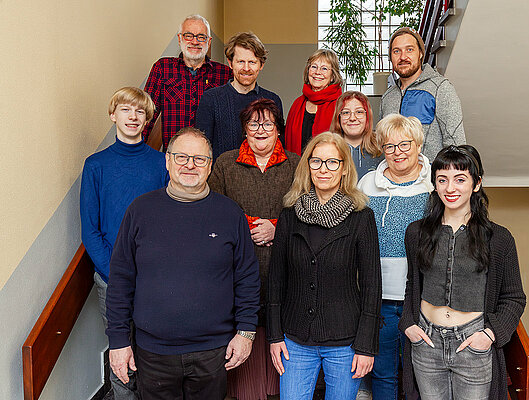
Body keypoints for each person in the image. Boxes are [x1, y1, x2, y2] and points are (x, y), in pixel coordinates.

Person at [106, 128, 260, 400]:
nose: (190, 165)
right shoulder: (140, 211)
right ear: (167, 161)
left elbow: (247, 278)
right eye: (181, 157)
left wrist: (246, 332)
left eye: (199, 159)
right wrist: (118, 341)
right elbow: (120, 280)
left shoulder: (230, 213)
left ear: (210, 166)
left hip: (214, 351)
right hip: (153, 352)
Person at [400, 145, 526, 400]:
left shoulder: (499, 239)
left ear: (476, 184)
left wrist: (489, 335)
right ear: (435, 184)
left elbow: (514, 298)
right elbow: (413, 283)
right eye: (442, 179)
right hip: (426, 342)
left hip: (473, 345)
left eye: (460, 179)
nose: (450, 188)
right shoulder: (416, 233)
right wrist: (409, 325)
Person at [267, 132, 382, 400]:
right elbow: (275, 279)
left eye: (332, 162)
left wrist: (366, 346)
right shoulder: (290, 214)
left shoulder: (361, 216)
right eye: (316, 161)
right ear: (307, 166)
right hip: (295, 341)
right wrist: (274, 336)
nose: (323, 169)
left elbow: (372, 285)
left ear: (344, 168)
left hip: (345, 342)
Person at [80, 87, 169, 399]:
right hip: (111, 280)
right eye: (126, 110)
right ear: (113, 115)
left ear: (147, 119)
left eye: (140, 111)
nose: (133, 117)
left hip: (155, 278)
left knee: (155, 352)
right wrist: (115, 272)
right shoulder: (96, 165)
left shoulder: (162, 163)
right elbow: (90, 230)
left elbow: (169, 222)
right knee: (121, 354)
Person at [209, 98, 300, 400]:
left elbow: (307, 209)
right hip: (238, 268)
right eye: (253, 123)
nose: (261, 130)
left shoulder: (296, 164)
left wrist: (276, 228)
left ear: (278, 129)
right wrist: (247, 226)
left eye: (268, 123)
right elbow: (214, 209)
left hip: (285, 266)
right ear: (245, 129)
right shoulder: (225, 163)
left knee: (282, 333)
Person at [357, 114, 433, 400]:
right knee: (382, 372)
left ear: (418, 145)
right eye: (389, 146)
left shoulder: (433, 185)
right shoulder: (367, 183)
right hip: (379, 297)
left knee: (421, 374)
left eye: (404, 144)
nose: (397, 152)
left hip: (421, 298)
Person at [142, 14, 232, 150]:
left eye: (201, 37)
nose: (195, 42)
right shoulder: (162, 68)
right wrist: (135, 152)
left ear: (208, 41)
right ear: (180, 39)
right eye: (188, 36)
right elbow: (146, 114)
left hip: (209, 155)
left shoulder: (224, 73)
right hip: (173, 155)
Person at [381, 27, 466, 161]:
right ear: (391, 57)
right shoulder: (387, 97)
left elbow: (456, 145)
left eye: (409, 49)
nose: (403, 57)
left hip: (430, 173)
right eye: (396, 51)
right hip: (394, 173)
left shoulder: (440, 88)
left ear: (420, 53)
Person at [195, 32, 284, 160]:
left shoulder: (273, 100)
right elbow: (202, 147)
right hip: (221, 172)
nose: (246, 68)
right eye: (241, 61)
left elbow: (279, 147)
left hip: (263, 172)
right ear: (230, 63)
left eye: (252, 62)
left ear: (261, 65)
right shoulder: (210, 99)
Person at [285, 49, 343, 155]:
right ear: (308, 71)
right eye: (314, 67)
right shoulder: (297, 104)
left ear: (333, 76)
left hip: (329, 164)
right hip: (297, 164)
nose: (317, 72)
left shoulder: (341, 105)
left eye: (324, 68)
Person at [330, 91, 383, 180]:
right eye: (346, 113)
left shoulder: (382, 149)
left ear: (367, 116)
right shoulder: (328, 149)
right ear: (338, 117)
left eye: (359, 112)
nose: (352, 118)